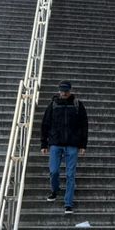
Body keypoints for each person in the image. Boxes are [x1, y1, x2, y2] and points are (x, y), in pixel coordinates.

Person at [41, 81, 89, 214]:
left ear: (70, 90)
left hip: (72, 144)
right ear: (58, 91)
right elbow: (45, 124)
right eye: (62, 90)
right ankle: (55, 190)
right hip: (56, 143)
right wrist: (43, 143)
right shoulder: (53, 105)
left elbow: (84, 125)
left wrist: (83, 145)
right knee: (54, 171)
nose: (64, 93)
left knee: (70, 175)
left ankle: (68, 203)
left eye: (66, 90)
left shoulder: (78, 105)